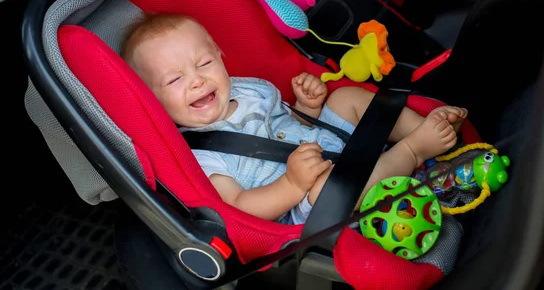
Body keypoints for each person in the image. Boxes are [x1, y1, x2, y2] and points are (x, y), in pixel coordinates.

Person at [120, 13, 468, 224]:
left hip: (322, 143)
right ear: (152, 99)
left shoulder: (251, 91)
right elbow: (240, 207)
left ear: (220, 55)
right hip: (308, 201)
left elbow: (292, 125)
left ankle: (419, 128)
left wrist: (310, 108)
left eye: (204, 63)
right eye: (174, 79)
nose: (196, 80)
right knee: (325, 186)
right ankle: (413, 151)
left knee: (344, 97)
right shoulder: (201, 155)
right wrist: (292, 185)